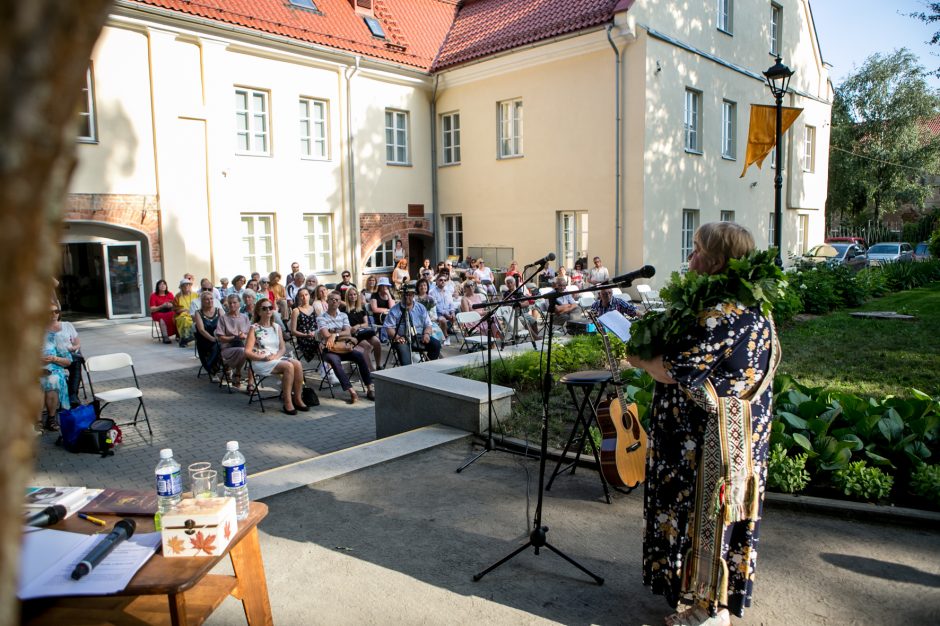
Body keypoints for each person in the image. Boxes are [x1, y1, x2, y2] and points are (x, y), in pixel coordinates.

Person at [626, 222, 780, 626]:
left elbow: (672, 370)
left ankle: (709, 610)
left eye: (696, 250)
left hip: (708, 442)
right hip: (741, 433)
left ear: (715, 261)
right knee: (721, 518)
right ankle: (709, 601)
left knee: (708, 516)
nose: (690, 257)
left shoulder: (720, 314)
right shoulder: (753, 306)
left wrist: (638, 357)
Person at [244, 298, 309, 415]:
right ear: (259, 312)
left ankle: (298, 399)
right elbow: (247, 352)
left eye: (270, 307)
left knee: (298, 364)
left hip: (275, 358)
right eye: (264, 308)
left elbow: (282, 348)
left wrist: (276, 356)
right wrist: (263, 358)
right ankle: (288, 402)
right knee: (289, 366)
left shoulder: (276, 327)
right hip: (261, 361)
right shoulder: (254, 328)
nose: (268, 310)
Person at [318, 291, 374, 402]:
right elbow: (326, 335)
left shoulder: (343, 315)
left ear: (340, 303)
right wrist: (336, 332)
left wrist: (335, 334)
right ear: (327, 301)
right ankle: (352, 391)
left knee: (360, 356)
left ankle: (370, 389)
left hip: (345, 347)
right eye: (332, 299)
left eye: (337, 299)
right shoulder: (321, 317)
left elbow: (348, 332)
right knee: (335, 361)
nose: (334, 301)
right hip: (330, 349)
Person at [384, 287, 442, 365]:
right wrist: (397, 337)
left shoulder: (421, 308)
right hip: (402, 339)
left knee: (436, 344)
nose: (407, 297)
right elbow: (389, 328)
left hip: (418, 336)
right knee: (404, 355)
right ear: (401, 295)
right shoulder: (394, 310)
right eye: (405, 295)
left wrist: (426, 334)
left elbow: (428, 324)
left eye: (410, 295)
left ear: (413, 295)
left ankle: (428, 367)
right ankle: (408, 373)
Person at [40, 306, 72, 432]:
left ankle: (51, 419)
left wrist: (54, 359)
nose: (53, 314)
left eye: (56, 311)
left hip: (52, 370)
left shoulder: (55, 337)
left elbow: (68, 361)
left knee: (53, 380)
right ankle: (38, 422)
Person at [49, 307, 84, 406]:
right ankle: (68, 395)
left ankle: (72, 396)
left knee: (76, 362)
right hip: (52, 358)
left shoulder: (67, 325)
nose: (54, 314)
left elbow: (77, 344)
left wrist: (72, 348)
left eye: (56, 311)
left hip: (68, 355)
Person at [215, 293, 250, 388]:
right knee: (243, 351)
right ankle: (237, 372)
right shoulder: (223, 318)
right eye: (230, 303)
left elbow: (249, 334)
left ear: (239, 303)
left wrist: (244, 335)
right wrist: (235, 337)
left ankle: (232, 370)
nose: (232, 305)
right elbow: (221, 337)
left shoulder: (244, 317)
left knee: (247, 351)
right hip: (227, 348)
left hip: (242, 346)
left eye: (234, 302)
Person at [345, 286, 382, 370]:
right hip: (353, 334)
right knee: (367, 346)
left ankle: (378, 365)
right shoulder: (344, 310)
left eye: (354, 294)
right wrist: (353, 328)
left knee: (377, 342)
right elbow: (346, 326)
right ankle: (371, 370)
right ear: (347, 296)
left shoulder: (361, 308)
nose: (353, 296)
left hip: (363, 331)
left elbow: (366, 323)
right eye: (350, 295)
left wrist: (358, 325)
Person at [193, 290, 222, 377]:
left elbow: (225, 325)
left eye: (211, 299)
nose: (210, 301)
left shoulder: (219, 311)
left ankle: (226, 369)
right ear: (202, 302)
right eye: (207, 299)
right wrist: (212, 339)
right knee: (217, 345)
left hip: (219, 337)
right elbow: (201, 330)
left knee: (225, 345)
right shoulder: (198, 313)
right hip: (205, 339)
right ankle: (211, 368)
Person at [289, 287, 319, 363]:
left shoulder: (315, 309)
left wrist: (316, 333)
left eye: (306, 295)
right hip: (303, 338)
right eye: (302, 295)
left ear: (309, 296)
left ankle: (326, 367)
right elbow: (293, 331)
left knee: (326, 343)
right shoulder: (296, 311)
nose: (304, 297)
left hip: (316, 336)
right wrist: (305, 335)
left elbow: (320, 325)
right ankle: (326, 367)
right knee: (322, 345)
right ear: (299, 297)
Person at [428, 274, 457, 346]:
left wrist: (452, 312)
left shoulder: (448, 291)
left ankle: (443, 334)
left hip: (448, 313)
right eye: (440, 280)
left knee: (455, 315)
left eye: (444, 280)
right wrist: (446, 315)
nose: (443, 281)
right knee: (442, 320)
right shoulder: (432, 292)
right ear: (436, 282)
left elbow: (451, 304)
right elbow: (436, 306)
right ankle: (446, 337)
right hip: (436, 314)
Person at [149, 279, 176, 344]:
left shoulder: (170, 294)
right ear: (157, 286)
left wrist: (171, 305)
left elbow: (175, 304)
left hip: (168, 311)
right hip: (157, 312)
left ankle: (178, 335)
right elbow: (152, 309)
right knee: (162, 317)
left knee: (176, 315)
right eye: (160, 284)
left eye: (164, 284)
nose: (163, 286)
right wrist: (162, 306)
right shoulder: (153, 295)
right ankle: (165, 336)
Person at [174, 278, 198, 347]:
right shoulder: (178, 296)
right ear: (181, 287)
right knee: (185, 320)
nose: (186, 287)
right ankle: (184, 339)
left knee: (197, 321)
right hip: (182, 315)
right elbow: (175, 309)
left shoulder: (196, 295)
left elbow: (199, 305)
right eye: (184, 285)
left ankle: (193, 337)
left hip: (194, 314)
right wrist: (183, 310)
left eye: (188, 285)